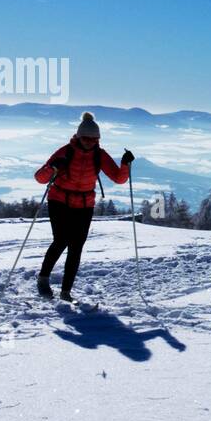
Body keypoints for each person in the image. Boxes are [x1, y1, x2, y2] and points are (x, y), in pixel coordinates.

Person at [33, 112, 134, 301]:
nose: (89, 142)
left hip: (84, 204)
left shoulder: (99, 155)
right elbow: (40, 178)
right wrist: (52, 167)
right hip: (59, 201)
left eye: (94, 139)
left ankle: (65, 292)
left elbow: (119, 178)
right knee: (61, 240)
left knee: (76, 247)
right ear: (78, 137)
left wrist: (125, 163)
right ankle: (43, 278)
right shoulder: (65, 152)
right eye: (86, 138)